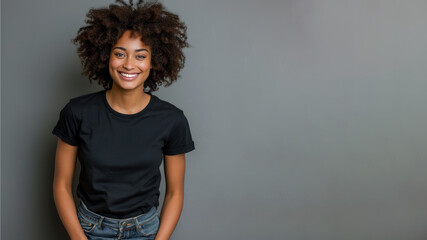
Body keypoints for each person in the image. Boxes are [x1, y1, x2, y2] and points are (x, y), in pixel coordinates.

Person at [51, 0, 195, 239]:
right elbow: (61, 186)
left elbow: (175, 193)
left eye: (141, 56)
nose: (129, 64)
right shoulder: (77, 113)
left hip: (146, 230)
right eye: (120, 54)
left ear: (154, 62)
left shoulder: (172, 120)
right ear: (105, 56)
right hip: (90, 229)